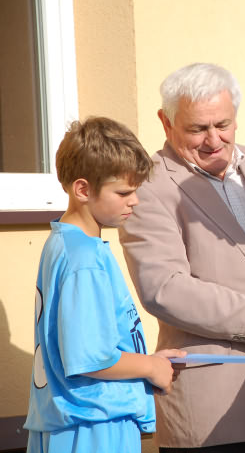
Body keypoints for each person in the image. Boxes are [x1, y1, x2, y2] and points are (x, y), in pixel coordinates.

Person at [119, 63, 245, 452]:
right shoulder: (147, 185)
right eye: (198, 128)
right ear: (166, 122)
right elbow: (164, 289)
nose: (213, 139)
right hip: (210, 412)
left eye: (223, 124)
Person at [24, 117, 185, 453]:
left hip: (78, 422)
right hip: (93, 425)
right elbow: (91, 358)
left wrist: (146, 360)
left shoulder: (65, 244)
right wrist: (150, 367)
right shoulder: (84, 259)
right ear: (83, 190)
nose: (134, 201)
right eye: (124, 192)